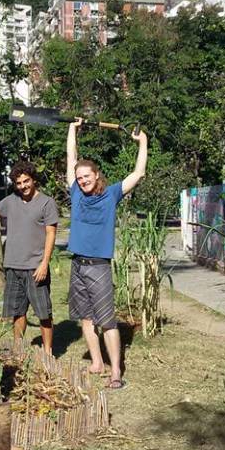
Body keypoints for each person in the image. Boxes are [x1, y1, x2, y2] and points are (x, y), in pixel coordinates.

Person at [66, 119, 147, 389]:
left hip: (99, 266)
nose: (82, 180)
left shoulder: (111, 195)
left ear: (97, 175)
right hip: (77, 263)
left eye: (86, 176)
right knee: (86, 319)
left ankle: (115, 373)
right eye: (79, 177)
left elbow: (138, 174)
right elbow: (71, 158)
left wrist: (142, 142)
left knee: (107, 320)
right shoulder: (76, 193)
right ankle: (97, 363)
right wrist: (72, 129)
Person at [0, 161, 59, 354]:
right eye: (18, 183)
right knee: (17, 311)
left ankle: (48, 352)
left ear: (33, 180)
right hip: (13, 266)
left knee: (43, 313)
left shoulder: (47, 203)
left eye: (26, 181)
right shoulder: (10, 201)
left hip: (35, 268)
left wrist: (44, 264)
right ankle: (18, 350)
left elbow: (51, 234)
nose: (23, 186)